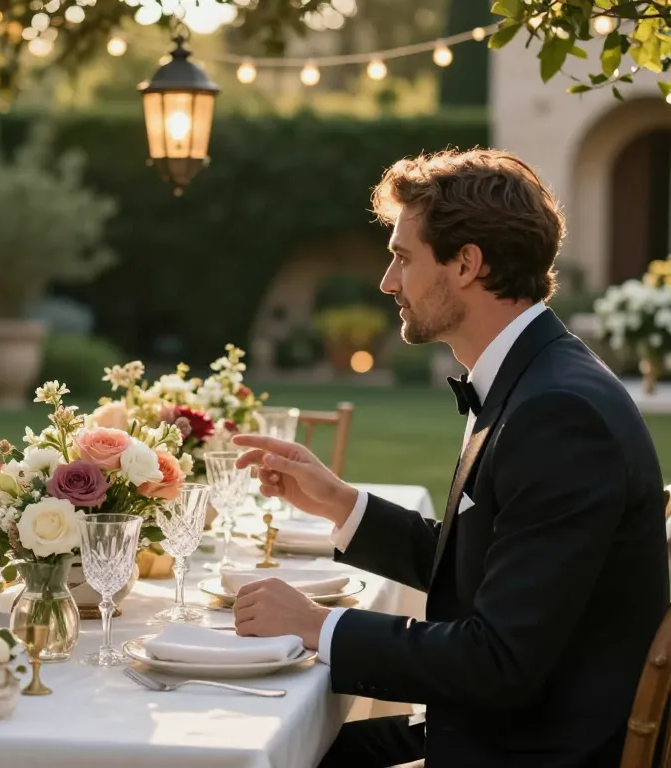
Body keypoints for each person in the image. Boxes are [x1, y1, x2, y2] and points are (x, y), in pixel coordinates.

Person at [233, 149, 668, 767]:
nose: (388, 282)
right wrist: (340, 503)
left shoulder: (561, 414)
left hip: (531, 750)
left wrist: (315, 626)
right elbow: (488, 563)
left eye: (403, 259)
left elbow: (498, 663)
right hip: (501, 729)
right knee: (277, 740)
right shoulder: (532, 377)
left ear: (467, 264)